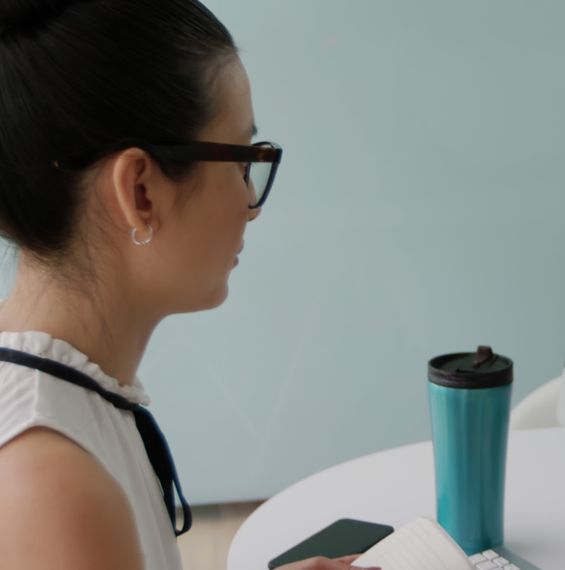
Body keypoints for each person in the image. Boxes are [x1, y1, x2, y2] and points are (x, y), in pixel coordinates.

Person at [0, 1, 378, 568]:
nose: (250, 205)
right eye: (242, 161)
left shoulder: (66, 399)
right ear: (142, 192)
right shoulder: (53, 484)